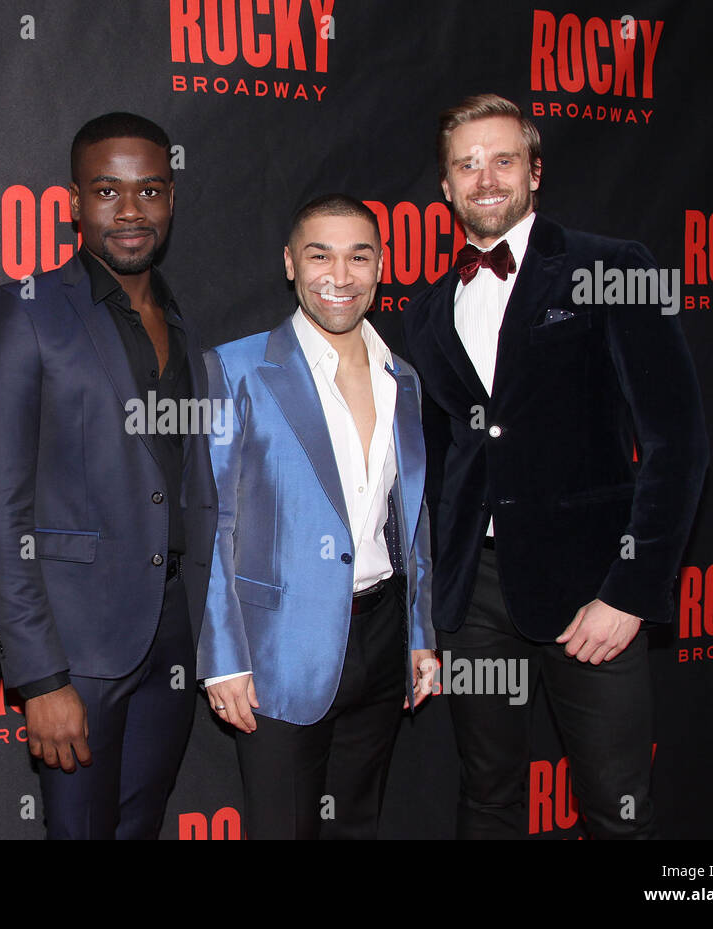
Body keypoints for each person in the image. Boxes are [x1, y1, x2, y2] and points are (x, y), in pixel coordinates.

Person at [401, 94, 708, 838]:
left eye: (502, 160)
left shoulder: (611, 266)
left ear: (534, 171)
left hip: (591, 590)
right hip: (475, 599)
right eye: (465, 165)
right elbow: (438, 470)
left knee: (616, 806)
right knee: (488, 797)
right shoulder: (429, 308)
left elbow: (678, 441)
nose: (484, 179)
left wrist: (630, 594)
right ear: (445, 187)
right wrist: (434, 607)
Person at [0, 112, 217, 839]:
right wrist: (40, 675)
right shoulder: (24, 312)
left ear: (171, 198)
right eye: (108, 190)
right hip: (75, 645)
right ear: (73, 201)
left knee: (139, 826)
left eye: (151, 190)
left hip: (174, 628)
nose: (131, 211)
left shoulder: (183, 323)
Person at [199, 195, 436, 839]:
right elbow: (216, 519)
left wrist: (420, 632)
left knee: (358, 822)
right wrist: (223, 656)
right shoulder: (238, 368)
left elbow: (410, 519)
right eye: (320, 254)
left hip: (382, 637)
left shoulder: (403, 378)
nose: (341, 274)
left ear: (381, 266)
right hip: (277, 647)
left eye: (359, 256)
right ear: (289, 264)